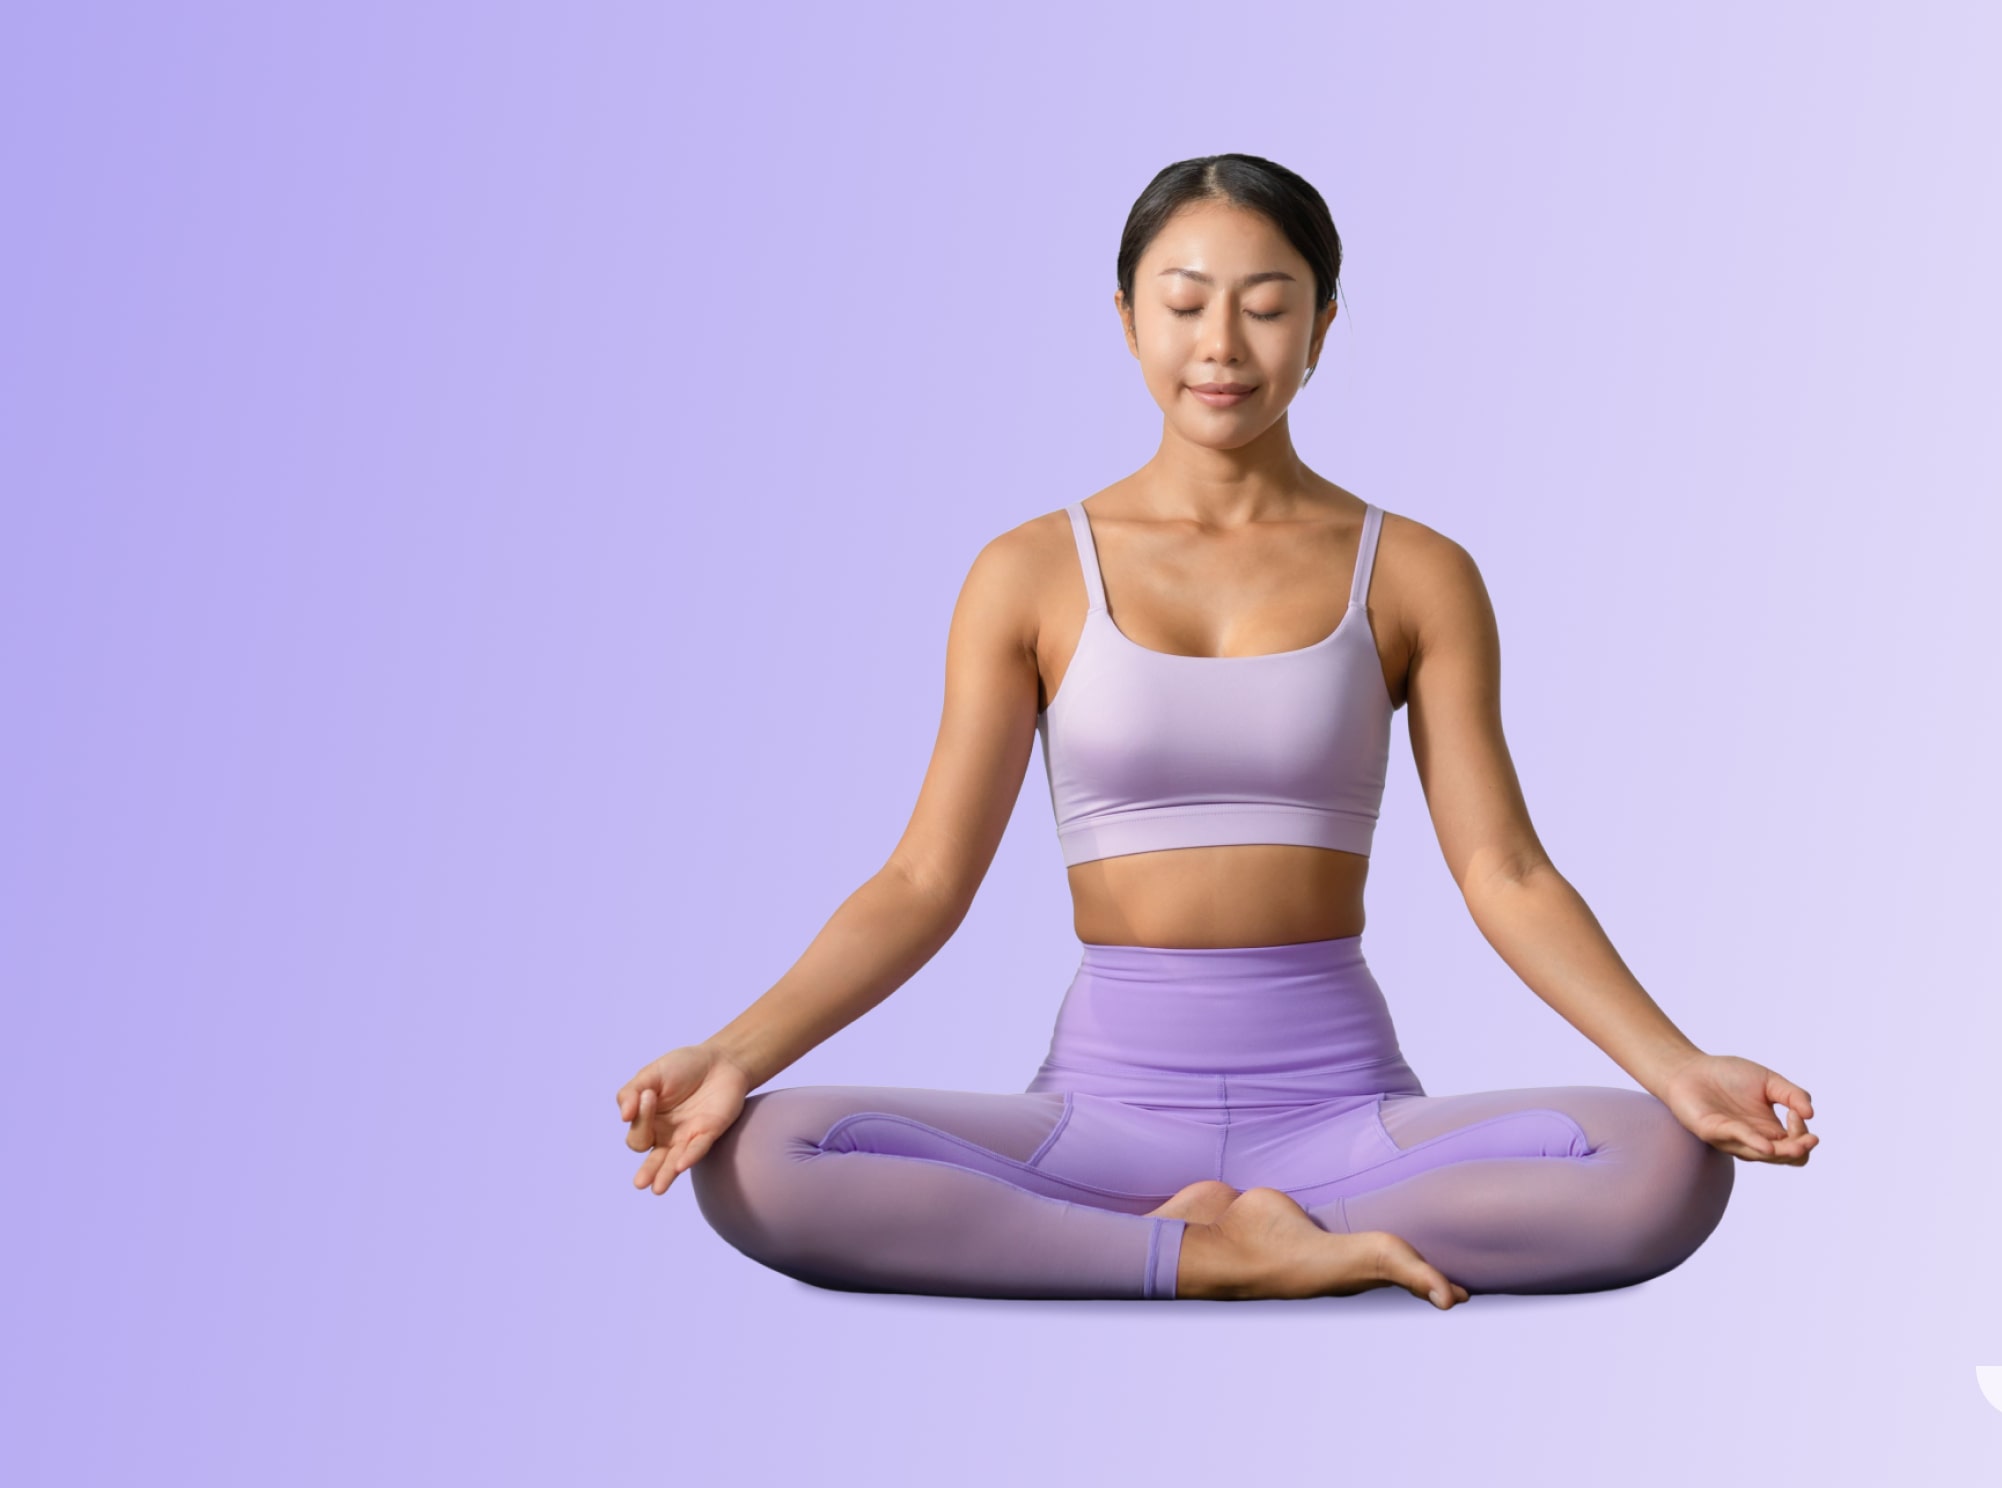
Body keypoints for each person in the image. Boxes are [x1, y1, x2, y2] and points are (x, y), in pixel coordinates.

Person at [615, 153, 1818, 1308]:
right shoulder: (1028, 572)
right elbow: (923, 880)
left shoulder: (1416, 573)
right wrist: (734, 1053)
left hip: (1346, 1116)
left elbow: (1505, 871)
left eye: (1266, 308)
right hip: (1105, 1115)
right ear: (1129, 317)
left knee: (1663, 1169)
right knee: (767, 1162)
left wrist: (1677, 1065)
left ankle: (1194, 1243)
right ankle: (1224, 1256)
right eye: (1185, 305)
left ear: (1326, 326)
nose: (1221, 348)